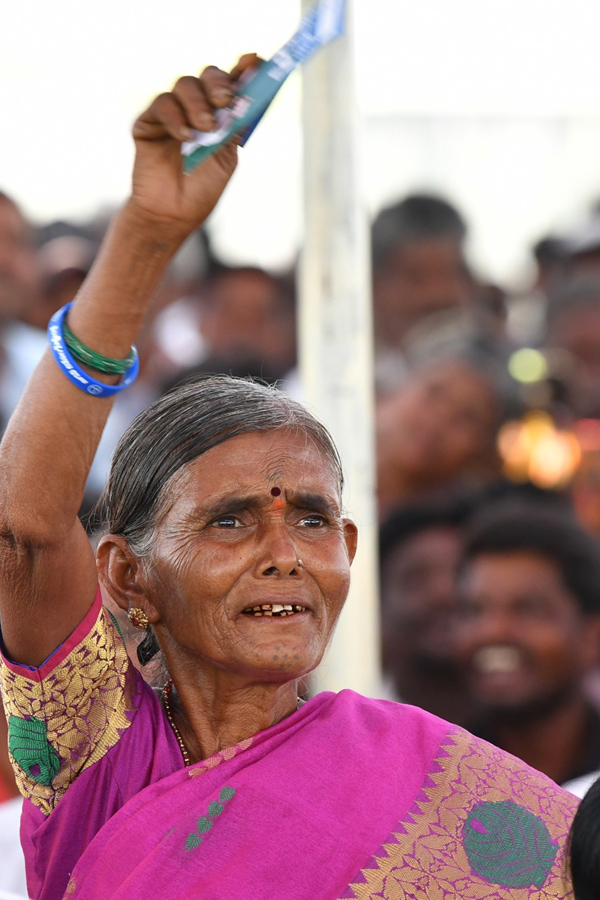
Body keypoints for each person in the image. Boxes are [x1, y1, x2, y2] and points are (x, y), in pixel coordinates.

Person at [0, 61, 578, 900]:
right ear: (129, 576)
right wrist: (147, 236)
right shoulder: (100, 752)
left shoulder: (429, 778)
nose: (285, 554)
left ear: (348, 546)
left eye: (312, 520)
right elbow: (27, 530)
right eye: (230, 521)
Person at [457, 500, 600, 787]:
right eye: (475, 610)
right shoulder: (438, 777)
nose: (493, 632)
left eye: (527, 609)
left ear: (591, 636)